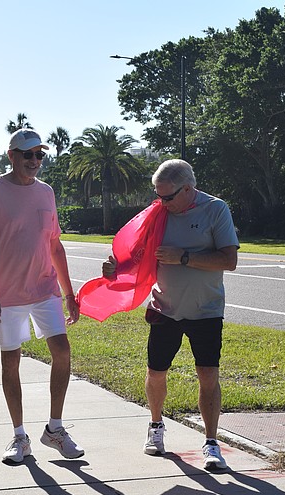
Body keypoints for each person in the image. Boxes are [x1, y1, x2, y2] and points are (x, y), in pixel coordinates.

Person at [102, 159, 239, 470]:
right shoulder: (158, 214)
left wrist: (184, 257)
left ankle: (211, 442)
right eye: (157, 195)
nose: (161, 202)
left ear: (188, 189)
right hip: (165, 308)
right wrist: (115, 269)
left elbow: (228, 260)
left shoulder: (215, 210)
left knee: (207, 375)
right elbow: (136, 255)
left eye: (167, 197)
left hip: (205, 310)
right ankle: (155, 426)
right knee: (156, 372)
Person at [0, 128, 84, 464]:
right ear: (12, 156)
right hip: (5, 293)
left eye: (39, 155)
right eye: (27, 154)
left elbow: (54, 244)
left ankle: (55, 429)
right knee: (11, 360)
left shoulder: (46, 193)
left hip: (43, 287)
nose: (34, 161)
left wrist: (69, 293)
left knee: (62, 351)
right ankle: (20, 437)